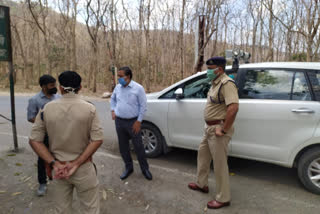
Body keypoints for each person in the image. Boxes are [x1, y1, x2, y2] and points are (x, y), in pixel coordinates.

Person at [29, 71, 104, 214]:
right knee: (90, 208)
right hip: (84, 169)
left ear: (61, 88)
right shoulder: (89, 108)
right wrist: (76, 163)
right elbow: (97, 139)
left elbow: (35, 141)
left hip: (59, 170)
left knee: (61, 210)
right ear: (80, 87)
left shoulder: (47, 109)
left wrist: (54, 163)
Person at [188, 57, 239, 209]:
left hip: (218, 130)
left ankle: (224, 198)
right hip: (209, 128)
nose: (208, 71)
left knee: (219, 165)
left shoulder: (227, 84)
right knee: (202, 156)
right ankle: (202, 184)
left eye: (211, 69)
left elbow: (233, 108)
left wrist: (223, 129)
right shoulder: (215, 83)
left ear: (220, 69)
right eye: (207, 68)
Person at [110, 66, 152, 180]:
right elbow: (112, 99)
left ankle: (145, 169)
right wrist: (113, 110)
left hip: (133, 122)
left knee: (138, 147)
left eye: (120, 76)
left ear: (128, 77)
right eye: (118, 76)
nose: (119, 78)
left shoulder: (138, 88)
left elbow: (143, 106)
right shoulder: (118, 87)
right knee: (123, 147)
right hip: (119, 122)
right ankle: (129, 168)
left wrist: (139, 121)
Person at [27, 74, 60, 196]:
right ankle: (42, 183)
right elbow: (30, 117)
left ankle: (59, 175)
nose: (54, 87)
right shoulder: (34, 100)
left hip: (57, 133)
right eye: (51, 85)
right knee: (42, 158)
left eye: (55, 84)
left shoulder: (58, 97)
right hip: (44, 134)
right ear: (44, 86)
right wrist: (44, 122)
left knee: (59, 155)